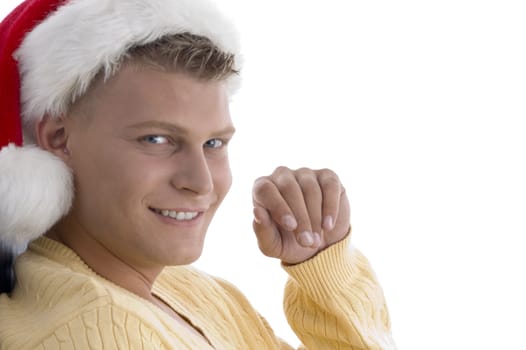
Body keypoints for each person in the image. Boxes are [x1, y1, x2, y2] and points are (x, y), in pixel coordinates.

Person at [0, 0, 397, 348]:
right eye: (156, 139)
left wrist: (321, 265)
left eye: (214, 144)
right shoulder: (99, 331)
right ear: (58, 138)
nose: (202, 183)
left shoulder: (183, 290)